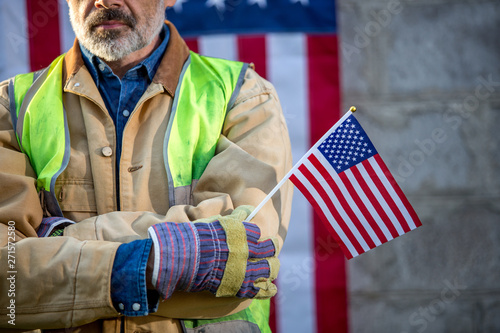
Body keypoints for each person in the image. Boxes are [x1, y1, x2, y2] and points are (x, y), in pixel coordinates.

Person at [0, 0, 293, 332]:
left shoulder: (243, 95)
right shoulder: (11, 107)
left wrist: (57, 240)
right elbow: (5, 284)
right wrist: (155, 260)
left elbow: (243, 256)